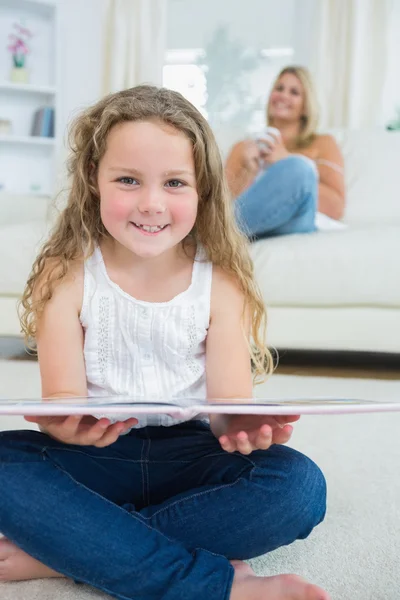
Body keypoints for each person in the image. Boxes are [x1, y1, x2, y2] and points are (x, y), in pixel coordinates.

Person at [0, 85, 329, 600]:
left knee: (299, 488)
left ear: (201, 190)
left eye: (174, 182)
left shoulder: (221, 282)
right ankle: (212, 581)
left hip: (192, 458)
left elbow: (225, 411)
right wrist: (66, 425)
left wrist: (240, 425)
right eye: (128, 180)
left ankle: (61, 552)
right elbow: (64, 403)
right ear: (94, 179)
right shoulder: (65, 276)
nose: (151, 204)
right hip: (99, 460)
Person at [225, 65, 346, 239]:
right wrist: (248, 171)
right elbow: (222, 202)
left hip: (297, 221)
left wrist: (284, 159)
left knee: (299, 168)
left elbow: (336, 207)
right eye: (279, 88)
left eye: (294, 92)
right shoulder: (244, 148)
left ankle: (213, 235)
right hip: (254, 224)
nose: (283, 95)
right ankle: (219, 234)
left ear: (306, 106)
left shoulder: (323, 143)